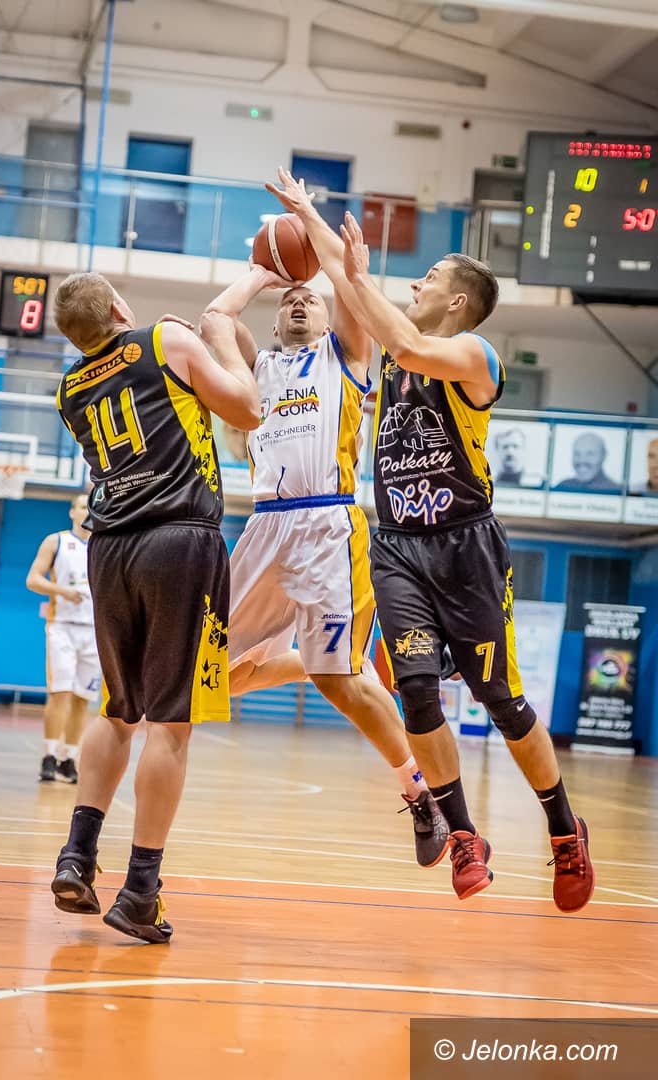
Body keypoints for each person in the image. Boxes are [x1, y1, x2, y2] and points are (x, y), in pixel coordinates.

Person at [269, 168, 594, 912]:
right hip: (398, 546)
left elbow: (406, 340)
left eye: (431, 277)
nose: (416, 282)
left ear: (458, 302)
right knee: (414, 690)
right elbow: (349, 284)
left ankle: (563, 827)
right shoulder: (396, 343)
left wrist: (357, 280)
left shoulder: (476, 356)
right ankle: (464, 834)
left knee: (501, 699)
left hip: (465, 546)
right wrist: (307, 212)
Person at [202, 262, 450, 870]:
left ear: (325, 317)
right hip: (264, 525)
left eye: (309, 300)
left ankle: (421, 794)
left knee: (341, 683)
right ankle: (310, 661)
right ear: (274, 319)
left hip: (327, 524)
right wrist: (261, 273)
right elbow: (216, 320)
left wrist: (320, 248)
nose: (299, 304)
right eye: (288, 300)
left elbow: (347, 293)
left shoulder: (345, 354)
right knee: (208, 676)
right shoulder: (257, 366)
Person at [48, 271, 260, 942]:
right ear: (118, 306)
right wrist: (222, 342)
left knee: (118, 708)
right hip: (179, 540)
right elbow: (248, 410)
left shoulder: (69, 389)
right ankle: (141, 890)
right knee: (171, 723)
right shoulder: (164, 340)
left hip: (109, 548)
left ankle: (77, 855)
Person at [26, 492, 99, 783]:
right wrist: (62, 592)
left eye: (91, 506)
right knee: (60, 693)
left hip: (95, 631)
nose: (86, 511)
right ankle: (48, 755)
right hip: (62, 627)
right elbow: (33, 579)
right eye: (82, 506)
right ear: (72, 512)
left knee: (83, 698)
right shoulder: (56, 541)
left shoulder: (104, 545)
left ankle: (68, 759)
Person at [553, 432, 621, 493]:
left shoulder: (616, 491)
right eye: (577, 454)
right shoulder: (563, 487)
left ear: (603, 455)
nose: (582, 460)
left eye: (590, 454)